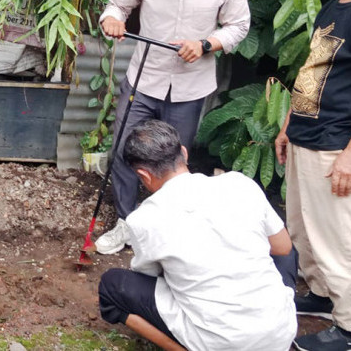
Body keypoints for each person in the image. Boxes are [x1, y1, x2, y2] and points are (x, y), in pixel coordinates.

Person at [95, 0, 250, 255]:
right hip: (144, 79)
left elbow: (239, 25)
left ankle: (165, 228)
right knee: (123, 149)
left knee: (174, 159)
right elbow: (117, 5)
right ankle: (126, 222)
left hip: (190, 87)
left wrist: (206, 44)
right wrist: (112, 19)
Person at [99, 120, 298, 351]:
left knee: (112, 286)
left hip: (220, 342)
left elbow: (149, 275)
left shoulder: (143, 218)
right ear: (184, 153)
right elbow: (283, 248)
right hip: (279, 333)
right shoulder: (240, 183)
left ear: (144, 175)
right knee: (285, 249)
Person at [275, 0, 351, 351]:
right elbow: (312, 70)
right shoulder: (332, 7)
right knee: (304, 230)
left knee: (339, 240)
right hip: (306, 136)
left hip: (336, 146)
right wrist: (289, 122)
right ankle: (323, 297)